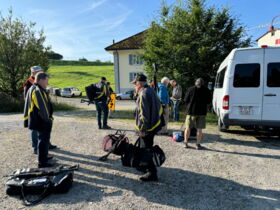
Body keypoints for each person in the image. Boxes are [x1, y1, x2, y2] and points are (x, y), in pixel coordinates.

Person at [132, 74, 163, 182]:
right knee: (144, 147)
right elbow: (159, 107)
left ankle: (152, 173)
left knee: (146, 149)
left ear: (139, 84)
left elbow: (143, 114)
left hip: (147, 128)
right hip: (153, 126)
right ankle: (143, 167)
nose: (134, 86)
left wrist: (143, 130)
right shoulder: (151, 90)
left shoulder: (143, 94)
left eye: (135, 84)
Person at [23, 66, 57, 154]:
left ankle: (47, 145)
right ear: (34, 73)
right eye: (40, 71)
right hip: (35, 111)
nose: (41, 73)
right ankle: (35, 148)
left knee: (43, 133)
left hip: (41, 109)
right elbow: (27, 96)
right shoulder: (29, 82)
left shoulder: (39, 81)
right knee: (35, 130)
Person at [184, 78, 212, 150]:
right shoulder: (207, 90)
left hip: (191, 112)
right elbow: (209, 101)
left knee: (188, 128)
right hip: (202, 112)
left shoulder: (190, 89)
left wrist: (188, 106)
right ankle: (197, 144)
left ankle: (186, 143)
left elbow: (185, 100)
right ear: (203, 83)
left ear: (196, 82)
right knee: (199, 129)